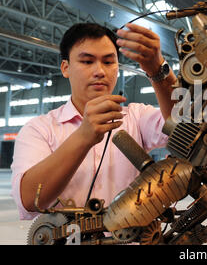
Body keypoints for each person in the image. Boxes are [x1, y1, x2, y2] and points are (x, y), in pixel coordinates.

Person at [10, 22, 177, 220]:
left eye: (108, 62)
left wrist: (159, 71)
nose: (100, 71)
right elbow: (29, 200)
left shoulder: (136, 117)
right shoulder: (39, 129)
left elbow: (185, 126)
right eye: (87, 62)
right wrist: (83, 136)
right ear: (65, 68)